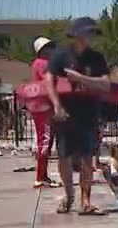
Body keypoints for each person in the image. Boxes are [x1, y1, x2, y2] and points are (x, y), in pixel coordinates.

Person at [45, 17, 111, 216]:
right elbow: (49, 80)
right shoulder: (60, 56)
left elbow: (106, 84)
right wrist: (56, 106)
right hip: (65, 113)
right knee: (63, 156)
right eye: (88, 33)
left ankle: (86, 200)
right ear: (77, 34)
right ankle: (69, 195)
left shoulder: (97, 58)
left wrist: (80, 78)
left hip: (88, 113)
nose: (91, 37)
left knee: (86, 158)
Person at [29, 36, 59, 188]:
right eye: (47, 48)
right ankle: (40, 177)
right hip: (44, 107)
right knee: (45, 141)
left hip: (41, 106)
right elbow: (49, 82)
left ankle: (43, 176)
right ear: (41, 51)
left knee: (46, 140)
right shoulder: (43, 64)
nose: (51, 50)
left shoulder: (38, 64)